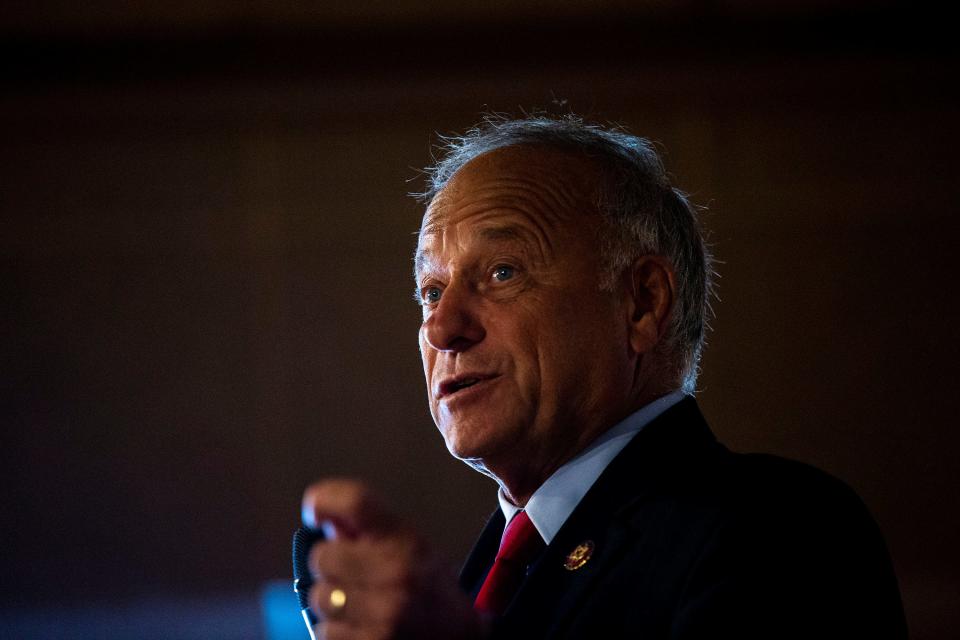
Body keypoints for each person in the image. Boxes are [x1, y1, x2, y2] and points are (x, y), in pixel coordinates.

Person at [300, 115, 907, 639]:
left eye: (503, 273)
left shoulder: (785, 533)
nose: (442, 329)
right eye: (431, 292)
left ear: (641, 302)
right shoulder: (479, 577)